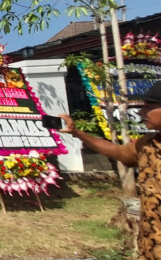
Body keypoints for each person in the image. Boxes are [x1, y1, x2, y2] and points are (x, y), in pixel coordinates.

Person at [59, 81, 161, 259]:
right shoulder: (148, 144)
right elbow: (117, 152)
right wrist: (78, 133)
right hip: (150, 246)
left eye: (148, 107)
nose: (140, 112)